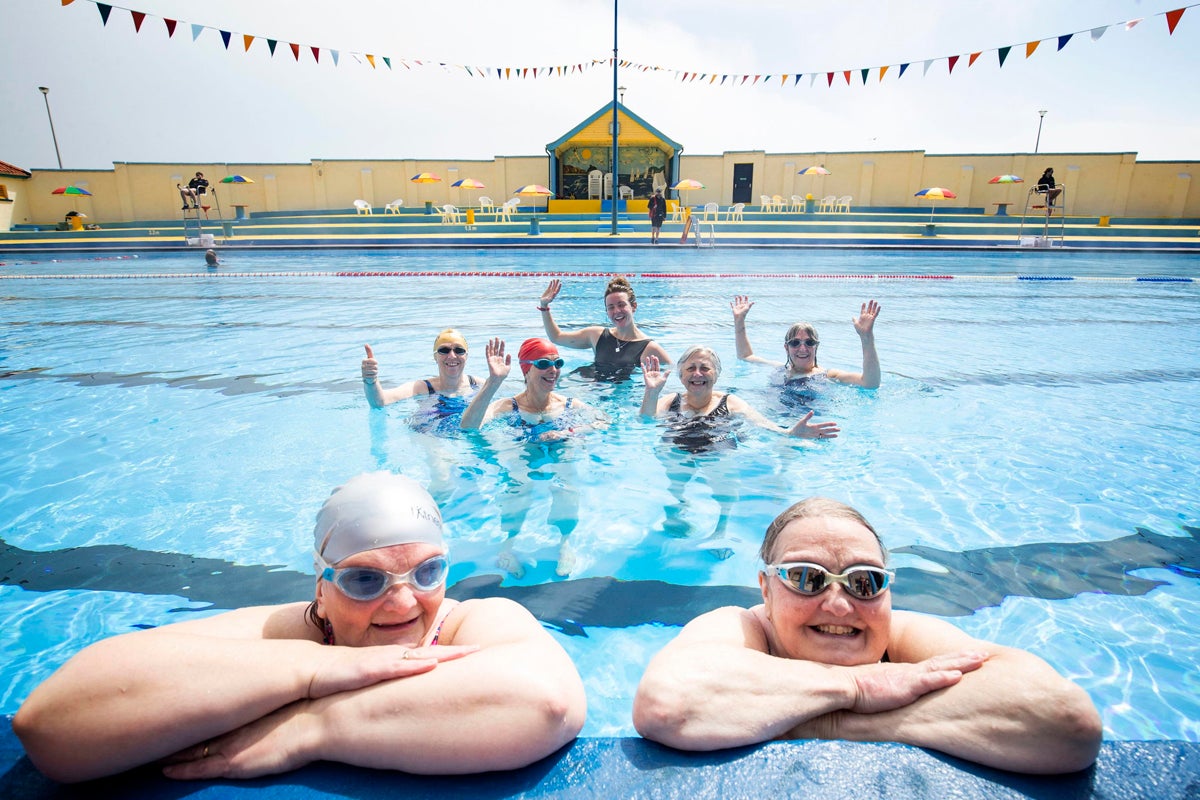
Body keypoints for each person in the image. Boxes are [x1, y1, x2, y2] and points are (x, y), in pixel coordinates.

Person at [13, 472, 587, 783]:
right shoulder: (291, 633)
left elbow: (546, 704)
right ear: (321, 587)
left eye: (428, 571)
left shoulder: (472, 621)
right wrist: (319, 667)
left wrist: (309, 728)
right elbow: (54, 728)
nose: (404, 602)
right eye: (366, 582)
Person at [633, 496, 1103, 774]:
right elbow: (667, 703)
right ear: (766, 589)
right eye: (805, 576)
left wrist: (832, 723)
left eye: (865, 581)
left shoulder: (898, 633)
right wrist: (859, 687)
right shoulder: (741, 625)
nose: (840, 605)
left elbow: (1066, 723)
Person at [460, 337, 608, 576]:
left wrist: (569, 431)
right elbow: (468, 427)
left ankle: (565, 542)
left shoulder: (569, 404)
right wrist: (494, 382)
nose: (554, 370)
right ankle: (507, 545)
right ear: (526, 369)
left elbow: (604, 421)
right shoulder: (508, 407)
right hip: (523, 448)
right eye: (543, 364)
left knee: (567, 483)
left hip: (561, 444)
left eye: (558, 363)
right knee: (517, 483)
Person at [640, 347, 841, 448]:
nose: (698, 374)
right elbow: (645, 420)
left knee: (725, 494)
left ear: (716, 375)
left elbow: (764, 425)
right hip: (678, 451)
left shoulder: (730, 402)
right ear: (681, 375)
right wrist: (651, 392)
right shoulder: (670, 400)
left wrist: (789, 433)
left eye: (705, 368)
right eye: (691, 368)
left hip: (718, 452)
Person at [731, 295, 882, 406]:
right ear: (786, 348)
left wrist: (866, 338)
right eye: (795, 343)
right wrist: (739, 322)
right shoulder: (779, 369)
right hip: (777, 422)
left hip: (810, 428)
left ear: (816, 347)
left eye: (809, 342)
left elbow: (870, 383)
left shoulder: (828, 375)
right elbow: (746, 356)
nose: (802, 348)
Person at [538, 276, 672, 381]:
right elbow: (556, 337)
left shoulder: (650, 348)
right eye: (611, 307)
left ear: (634, 306)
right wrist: (544, 306)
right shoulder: (596, 335)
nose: (617, 311)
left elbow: (674, 372)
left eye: (621, 305)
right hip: (590, 388)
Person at [361, 329, 482, 424]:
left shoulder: (479, 384)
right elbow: (379, 402)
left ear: (466, 356)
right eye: (444, 350)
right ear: (435, 357)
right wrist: (371, 381)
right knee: (439, 455)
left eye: (459, 350)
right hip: (428, 431)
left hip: (466, 427)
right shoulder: (421, 387)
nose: (452, 355)